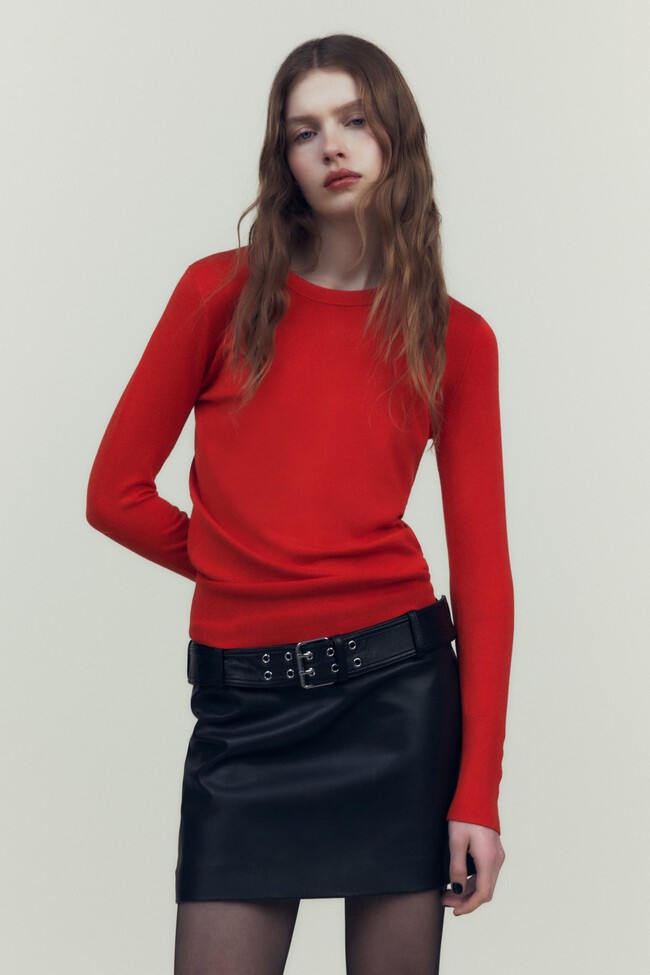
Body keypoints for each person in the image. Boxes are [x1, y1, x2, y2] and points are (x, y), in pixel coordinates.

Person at [87, 33, 514, 975]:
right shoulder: (218, 293)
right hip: (243, 715)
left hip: (398, 702)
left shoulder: (456, 339)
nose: (333, 146)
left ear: (395, 135)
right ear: (282, 157)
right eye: (304, 130)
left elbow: (484, 577)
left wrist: (477, 793)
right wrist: (245, 565)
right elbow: (112, 495)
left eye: (355, 119)